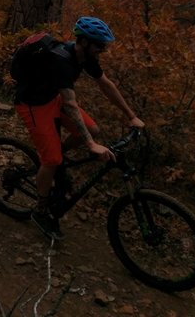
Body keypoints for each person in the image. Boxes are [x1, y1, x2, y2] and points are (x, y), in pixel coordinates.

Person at [13, 16, 145, 240]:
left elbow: (106, 84)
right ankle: (41, 210)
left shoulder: (86, 58)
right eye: (100, 45)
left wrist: (131, 116)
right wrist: (91, 146)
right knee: (52, 160)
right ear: (84, 42)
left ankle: (57, 155)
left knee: (93, 130)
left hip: (52, 98)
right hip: (33, 105)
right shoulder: (61, 60)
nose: (102, 50)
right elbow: (71, 105)